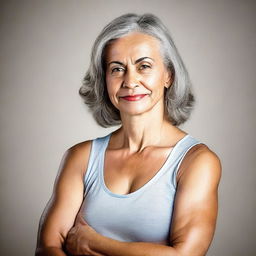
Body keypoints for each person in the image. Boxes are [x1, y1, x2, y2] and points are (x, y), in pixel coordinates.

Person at [35, 13, 222, 256]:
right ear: (105, 80)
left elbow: (185, 255)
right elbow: (47, 247)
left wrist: (94, 242)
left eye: (144, 66)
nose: (130, 81)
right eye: (117, 69)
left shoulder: (196, 162)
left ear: (168, 75)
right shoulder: (80, 157)